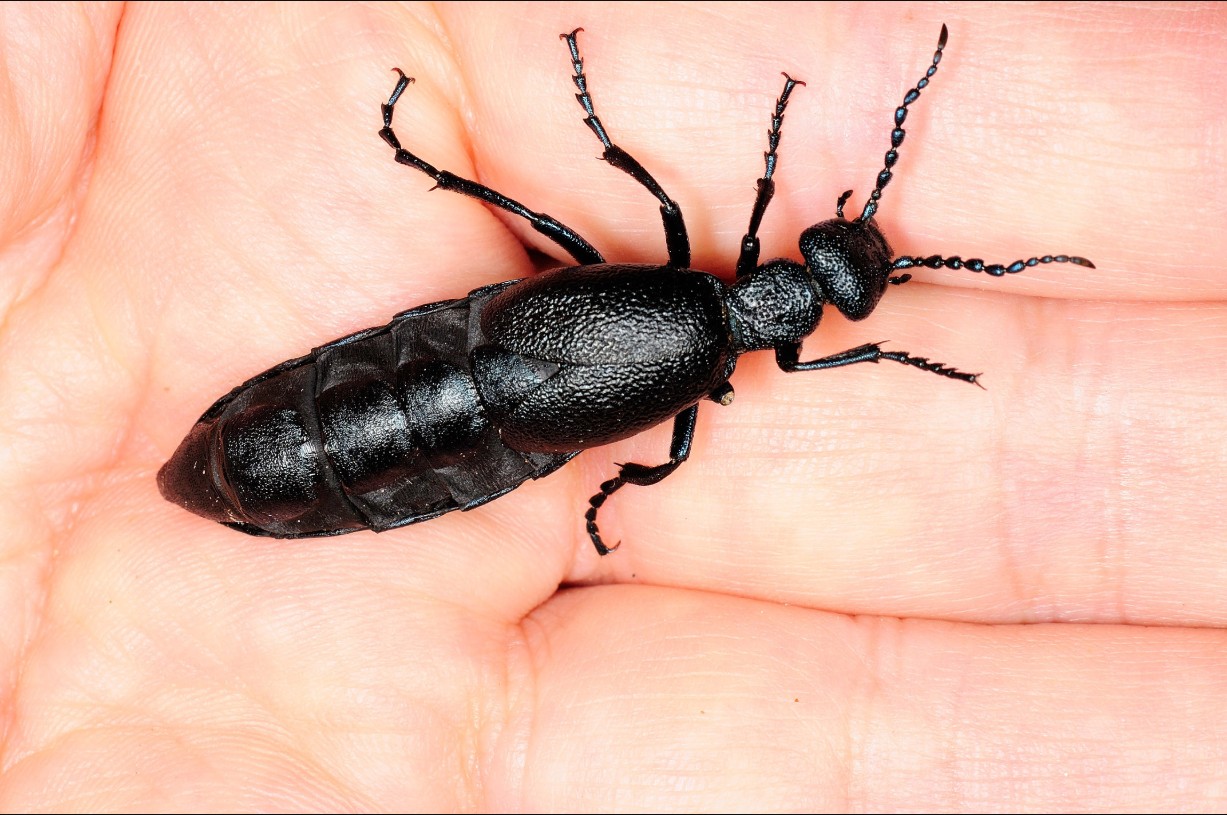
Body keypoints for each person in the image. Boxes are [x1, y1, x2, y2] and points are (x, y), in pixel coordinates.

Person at [0, 4, 1222, 810]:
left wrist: (643, 138)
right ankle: (432, 188)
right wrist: (633, 475)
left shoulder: (704, 289)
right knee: (596, 405)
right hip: (439, 412)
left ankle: (429, 176)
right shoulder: (720, 352)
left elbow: (637, 219)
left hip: (418, 379)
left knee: (553, 295)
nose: (851, 242)